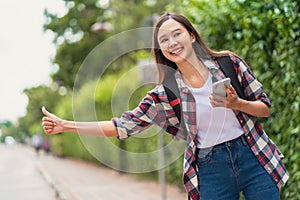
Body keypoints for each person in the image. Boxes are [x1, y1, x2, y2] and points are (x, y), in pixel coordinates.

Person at [42, 12, 289, 200]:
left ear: (191, 35)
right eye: (164, 40)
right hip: (211, 168)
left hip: (252, 155)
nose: (172, 43)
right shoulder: (164, 95)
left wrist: (237, 103)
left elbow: (264, 108)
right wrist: (66, 125)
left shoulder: (228, 63)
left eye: (177, 34)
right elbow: (121, 126)